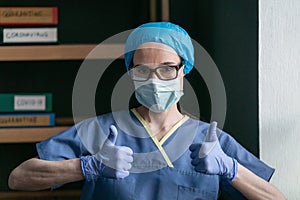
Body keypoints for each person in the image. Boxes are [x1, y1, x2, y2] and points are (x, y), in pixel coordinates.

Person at [8, 22, 286, 199]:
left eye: (166, 68)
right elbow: (18, 178)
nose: (154, 80)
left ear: (183, 71)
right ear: (131, 74)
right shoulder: (103, 132)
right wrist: (86, 166)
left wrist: (231, 169)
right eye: (142, 70)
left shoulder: (210, 143)